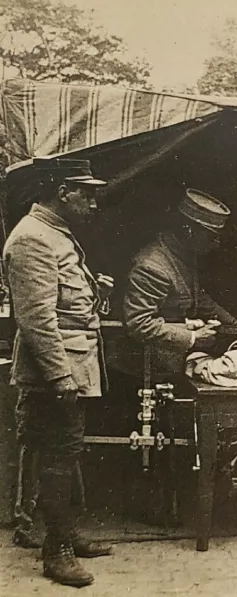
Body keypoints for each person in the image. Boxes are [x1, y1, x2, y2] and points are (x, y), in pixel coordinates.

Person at [4, 157, 114, 587]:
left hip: (71, 366)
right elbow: (36, 321)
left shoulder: (54, 234)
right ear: (60, 192)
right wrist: (59, 377)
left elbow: (70, 309)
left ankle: (65, 533)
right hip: (54, 373)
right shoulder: (33, 239)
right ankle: (57, 552)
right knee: (57, 458)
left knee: (65, 455)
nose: (92, 200)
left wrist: (97, 295)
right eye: (84, 192)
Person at [123, 188, 237, 379]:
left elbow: (196, 296)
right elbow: (139, 324)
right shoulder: (152, 266)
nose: (216, 245)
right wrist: (193, 338)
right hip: (144, 369)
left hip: (171, 361)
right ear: (189, 231)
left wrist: (232, 322)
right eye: (212, 237)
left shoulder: (182, 255)